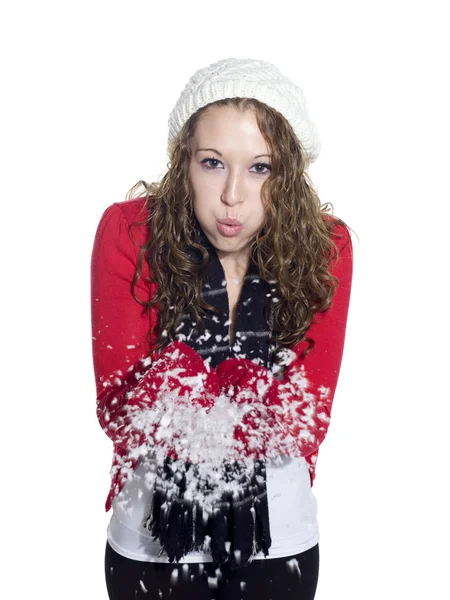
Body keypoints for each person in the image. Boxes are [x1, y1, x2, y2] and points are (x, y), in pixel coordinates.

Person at [90, 57, 354, 600]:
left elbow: (305, 422)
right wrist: (243, 390)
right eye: (212, 163)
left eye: (261, 168)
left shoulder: (326, 250)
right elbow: (122, 412)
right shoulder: (131, 234)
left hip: (277, 540)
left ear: (290, 172)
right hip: (150, 545)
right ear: (182, 162)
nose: (234, 194)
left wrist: (188, 388)